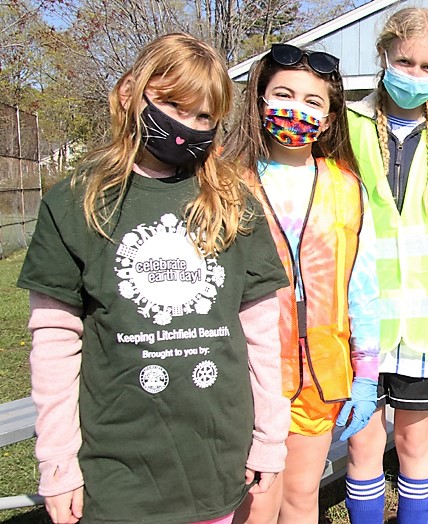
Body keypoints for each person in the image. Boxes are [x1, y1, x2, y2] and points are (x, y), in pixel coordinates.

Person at [17, 33, 290, 524]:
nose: (186, 127)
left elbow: (263, 334)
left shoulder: (235, 203)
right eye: (171, 105)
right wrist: (58, 463)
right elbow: (54, 344)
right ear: (130, 93)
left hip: (213, 453)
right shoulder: (74, 203)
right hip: (117, 462)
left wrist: (270, 435)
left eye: (204, 116)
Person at [223, 43, 380, 524]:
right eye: (284, 94)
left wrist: (367, 373)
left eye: (313, 101)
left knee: (300, 496)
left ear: (331, 117)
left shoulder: (347, 186)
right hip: (247, 375)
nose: (297, 109)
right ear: (259, 101)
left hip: (322, 375)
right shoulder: (227, 184)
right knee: (255, 503)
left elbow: (363, 286)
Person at [344, 8, 428, 523]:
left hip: (426, 331)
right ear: (383, 56)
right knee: (361, 447)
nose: (416, 75)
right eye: (405, 61)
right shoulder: (347, 125)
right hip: (358, 326)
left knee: (413, 444)